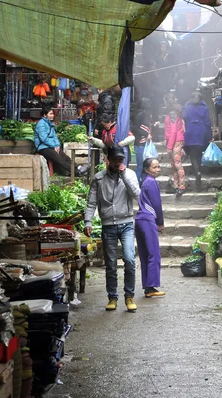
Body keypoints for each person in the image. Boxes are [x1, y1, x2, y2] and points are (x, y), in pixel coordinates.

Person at [84, 145, 141, 312]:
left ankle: (129, 296)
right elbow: (91, 202)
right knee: (110, 263)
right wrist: (88, 221)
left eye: (121, 160)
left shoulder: (129, 174)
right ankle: (112, 297)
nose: (118, 163)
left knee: (130, 259)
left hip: (127, 223)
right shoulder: (99, 178)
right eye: (115, 160)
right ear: (108, 160)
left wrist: (124, 174)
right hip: (108, 225)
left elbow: (137, 194)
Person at [135, 158, 165, 298]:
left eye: (158, 167)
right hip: (148, 220)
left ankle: (148, 287)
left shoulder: (145, 182)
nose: (157, 169)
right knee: (153, 253)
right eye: (154, 167)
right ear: (147, 170)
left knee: (145, 254)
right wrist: (160, 222)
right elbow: (157, 204)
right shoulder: (151, 182)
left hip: (139, 219)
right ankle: (151, 287)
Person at [34, 107, 87, 176]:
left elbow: (55, 137)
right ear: (45, 115)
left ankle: (78, 167)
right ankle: (77, 172)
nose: (52, 115)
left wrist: (57, 145)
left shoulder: (50, 124)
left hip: (51, 146)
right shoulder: (41, 124)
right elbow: (44, 139)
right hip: (43, 147)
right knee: (59, 159)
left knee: (65, 157)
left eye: (53, 114)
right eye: (50, 114)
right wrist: (54, 145)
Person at [183, 92, 212, 190]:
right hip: (201, 132)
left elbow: (184, 117)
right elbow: (208, 122)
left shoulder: (188, 107)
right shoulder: (204, 107)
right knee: (198, 153)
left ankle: (197, 172)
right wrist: (210, 135)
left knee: (193, 155)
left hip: (191, 131)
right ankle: (198, 170)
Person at [164, 108, 186, 197]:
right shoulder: (175, 114)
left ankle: (181, 186)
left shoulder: (172, 113)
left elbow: (173, 132)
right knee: (174, 165)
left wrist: (169, 146)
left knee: (177, 164)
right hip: (176, 140)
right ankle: (176, 186)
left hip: (176, 141)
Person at [133, 98, 153, 184]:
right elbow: (135, 128)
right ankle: (137, 185)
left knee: (145, 166)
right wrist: (146, 134)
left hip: (145, 144)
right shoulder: (140, 115)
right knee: (140, 166)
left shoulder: (146, 114)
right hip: (139, 144)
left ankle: (144, 185)